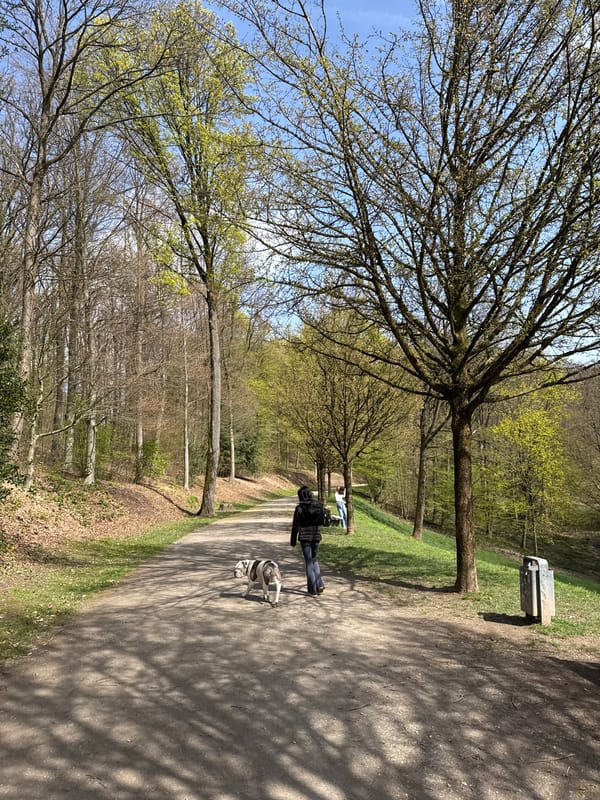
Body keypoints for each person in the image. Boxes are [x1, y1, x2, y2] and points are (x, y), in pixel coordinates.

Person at [290, 485, 326, 596]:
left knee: (309, 562)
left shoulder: (299, 508)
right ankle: (319, 584)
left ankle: (312, 589)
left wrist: (293, 540)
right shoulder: (319, 505)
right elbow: (322, 521)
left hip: (305, 537)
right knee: (314, 560)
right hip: (316, 536)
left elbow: (295, 525)